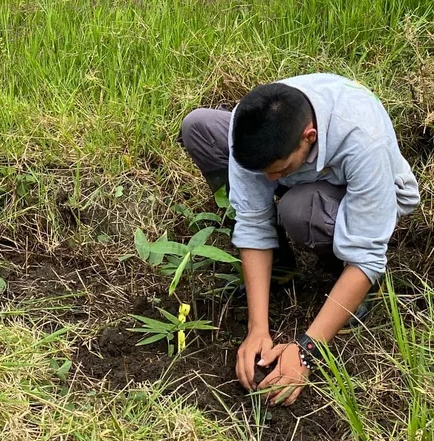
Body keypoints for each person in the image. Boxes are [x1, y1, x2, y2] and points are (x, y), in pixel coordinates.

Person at [179, 73, 420, 406]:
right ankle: (279, 265)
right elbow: (252, 221)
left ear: (309, 136)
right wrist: (257, 329)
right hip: (306, 168)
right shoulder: (249, 124)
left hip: (365, 190)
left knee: (299, 210)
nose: (270, 180)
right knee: (200, 126)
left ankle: (346, 280)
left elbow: (368, 257)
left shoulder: (364, 138)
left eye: (278, 169)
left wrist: (306, 351)